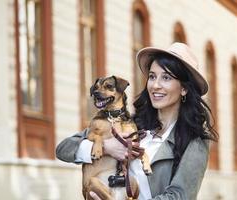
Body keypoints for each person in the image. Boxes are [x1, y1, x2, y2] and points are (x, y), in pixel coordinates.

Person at [56, 42, 218, 200]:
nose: (155, 85)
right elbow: (64, 149)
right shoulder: (130, 123)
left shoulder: (195, 142)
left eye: (166, 78)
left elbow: (179, 196)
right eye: (152, 76)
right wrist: (106, 148)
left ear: (184, 88)